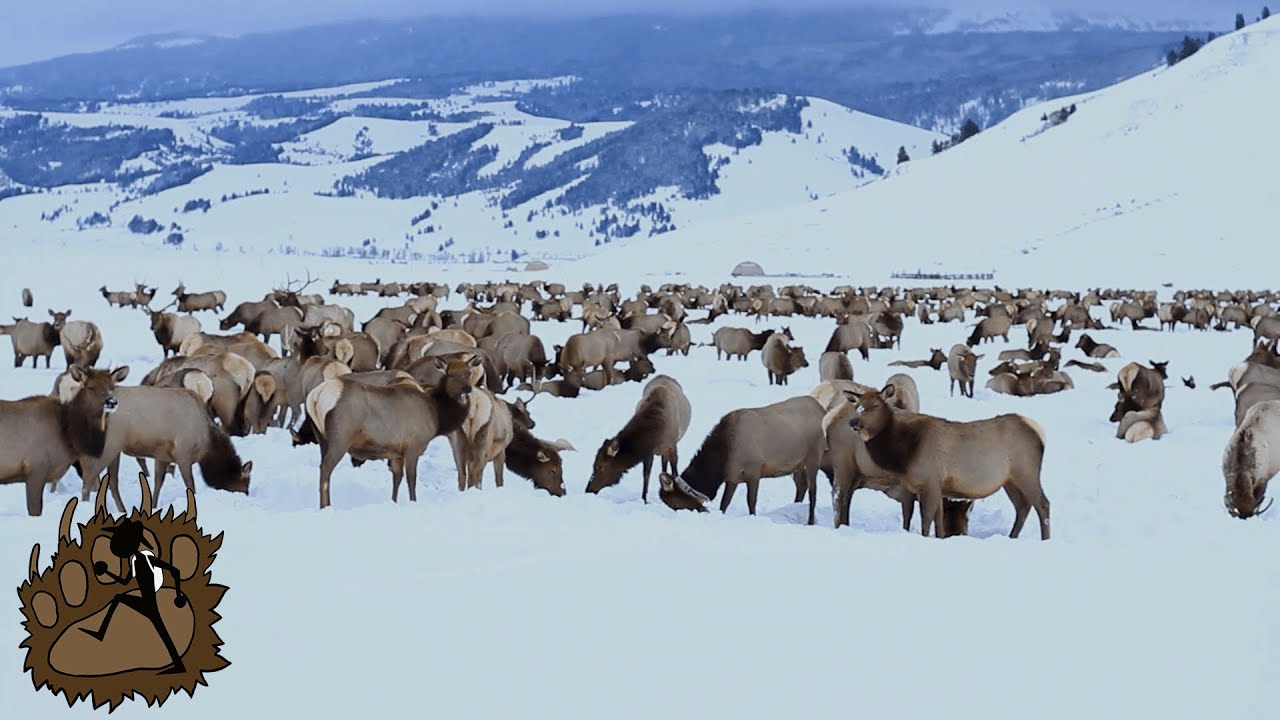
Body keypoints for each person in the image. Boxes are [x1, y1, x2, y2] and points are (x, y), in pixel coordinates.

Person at [80, 518, 190, 675]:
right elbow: (125, 583)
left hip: (149, 603)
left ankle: (179, 666)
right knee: (120, 598)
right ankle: (100, 632)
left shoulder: (146, 559)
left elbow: (175, 571)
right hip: (145, 601)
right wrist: (107, 572)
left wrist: (178, 595)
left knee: (163, 632)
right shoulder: (135, 561)